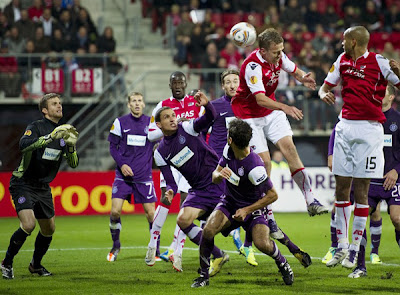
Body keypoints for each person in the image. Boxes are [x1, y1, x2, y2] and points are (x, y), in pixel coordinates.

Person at [206, 69, 311, 268]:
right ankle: (279, 245)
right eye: (228, 82)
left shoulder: (249, 105)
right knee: (224, 216)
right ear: (222, 86)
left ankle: (248, 244)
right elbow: (204, 131)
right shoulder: (215, 107)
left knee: (253, 210)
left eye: (235, 81)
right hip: (225, 166)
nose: (232, 85)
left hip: (247, 167)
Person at [318, 26, 400, 269]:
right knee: (342, 191)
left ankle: (355, 249)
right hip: (345, 128)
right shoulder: (341, 60)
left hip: (369, 130)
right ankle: (341, 246)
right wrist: (323, 93)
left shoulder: (380, 62)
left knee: (362, 191)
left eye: (344, 40)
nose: (341, 43)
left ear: (354, 41)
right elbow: (325, 86)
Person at [231, 27, 327, 216]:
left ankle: (310, 200)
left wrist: (303, 78)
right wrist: (285, 107)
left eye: (281, 50)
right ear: (263, 51)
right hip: (249, 115)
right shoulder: (252, 66)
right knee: (265, 163)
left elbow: (294, 70)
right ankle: (266, 212)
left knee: (290, 149)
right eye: (276, 52)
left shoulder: (278, 57)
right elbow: (259, 98)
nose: (280, 55)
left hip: (270, 111)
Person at [192, 119, 294, 288]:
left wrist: (247, 210)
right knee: (208, 231)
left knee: (262, 244)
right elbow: (215, 176)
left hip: (252, 209)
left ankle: (282, 262)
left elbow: (272, 195)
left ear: (230, 139)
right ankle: (203, 275)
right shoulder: (228, 151)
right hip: (229, 203)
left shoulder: (255, 168)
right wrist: (218, 175)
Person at [146, 91, 229, 275]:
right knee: (183, 220)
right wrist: (169, 191)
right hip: (198, 189)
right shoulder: (160, 153)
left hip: (216, 181)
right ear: (159, 125)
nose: (173, 119)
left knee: (237, 222)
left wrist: (207, 104)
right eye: (167, 117)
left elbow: (211, 116)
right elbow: (171, 184)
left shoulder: (187, 128)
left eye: (174, 116)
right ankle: (219, 255)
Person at [324, 82, 400, 278]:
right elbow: (338, 128)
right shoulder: (364, 113)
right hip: (369, 175)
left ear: (391, 97)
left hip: (393, 178)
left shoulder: (397, 120)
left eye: (382, 93)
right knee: (361, 215)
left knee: (397, 219)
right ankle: (360, 266)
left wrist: (396, 171)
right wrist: (332, 153)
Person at [1, 93, 79, 279]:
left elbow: (74, 163)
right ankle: (6, 263)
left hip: (43, 187)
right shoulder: (36, 127)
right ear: (45, 110)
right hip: (23, 182)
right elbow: (23, 145)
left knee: (49, 229)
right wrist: (49, 137)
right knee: (28, 224)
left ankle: (35, 265)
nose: (59, 106)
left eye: (60, 103)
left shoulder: (64, 132)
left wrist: (70, 147)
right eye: (54, 104)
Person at [147, 71, 203, 264]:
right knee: (166, 198)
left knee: (186, 203)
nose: (178, 85)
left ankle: (177, 250)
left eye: (181, 82)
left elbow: (205, 127)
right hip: (171, 157)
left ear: (186, 84)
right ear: (170, 85)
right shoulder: (162, 106)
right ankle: (153, 244)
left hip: (190, 159)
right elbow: (150, 133)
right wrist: (171, 128)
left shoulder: (195, 103)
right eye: (174, 82)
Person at [106, 92, 157, 262]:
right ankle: (116, 245)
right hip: (123, 176)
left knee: (151, 214)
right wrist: (122, 164)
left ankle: (155, 250)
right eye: (133, 101)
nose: (137, 103)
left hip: (144, 176)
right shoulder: (120, 122)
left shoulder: (151, 123)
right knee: (115, 211)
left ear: (143, 104)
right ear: (129, 105)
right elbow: (113, 147)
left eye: (139, 101)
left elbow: (161, 141)